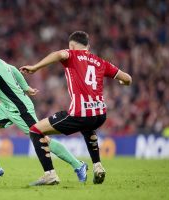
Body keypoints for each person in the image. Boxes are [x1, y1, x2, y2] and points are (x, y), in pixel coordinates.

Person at [20, 31, 132, 185]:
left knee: (35, 130)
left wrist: (35, 67)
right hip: (100, 115)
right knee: (88, 126)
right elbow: (127, 79)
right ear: (88, 46)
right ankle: (98, 166)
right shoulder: (101, 62)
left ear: (71, 45)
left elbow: (59, 54)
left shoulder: (71, 54)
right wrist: (123, 83)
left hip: (80, 113)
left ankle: (50, 174)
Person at [0, 38, 88, 183]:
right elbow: (13, 69)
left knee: (42, 138)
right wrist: (26, 87)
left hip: (19, 107)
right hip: (5, 107)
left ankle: (78, 165)